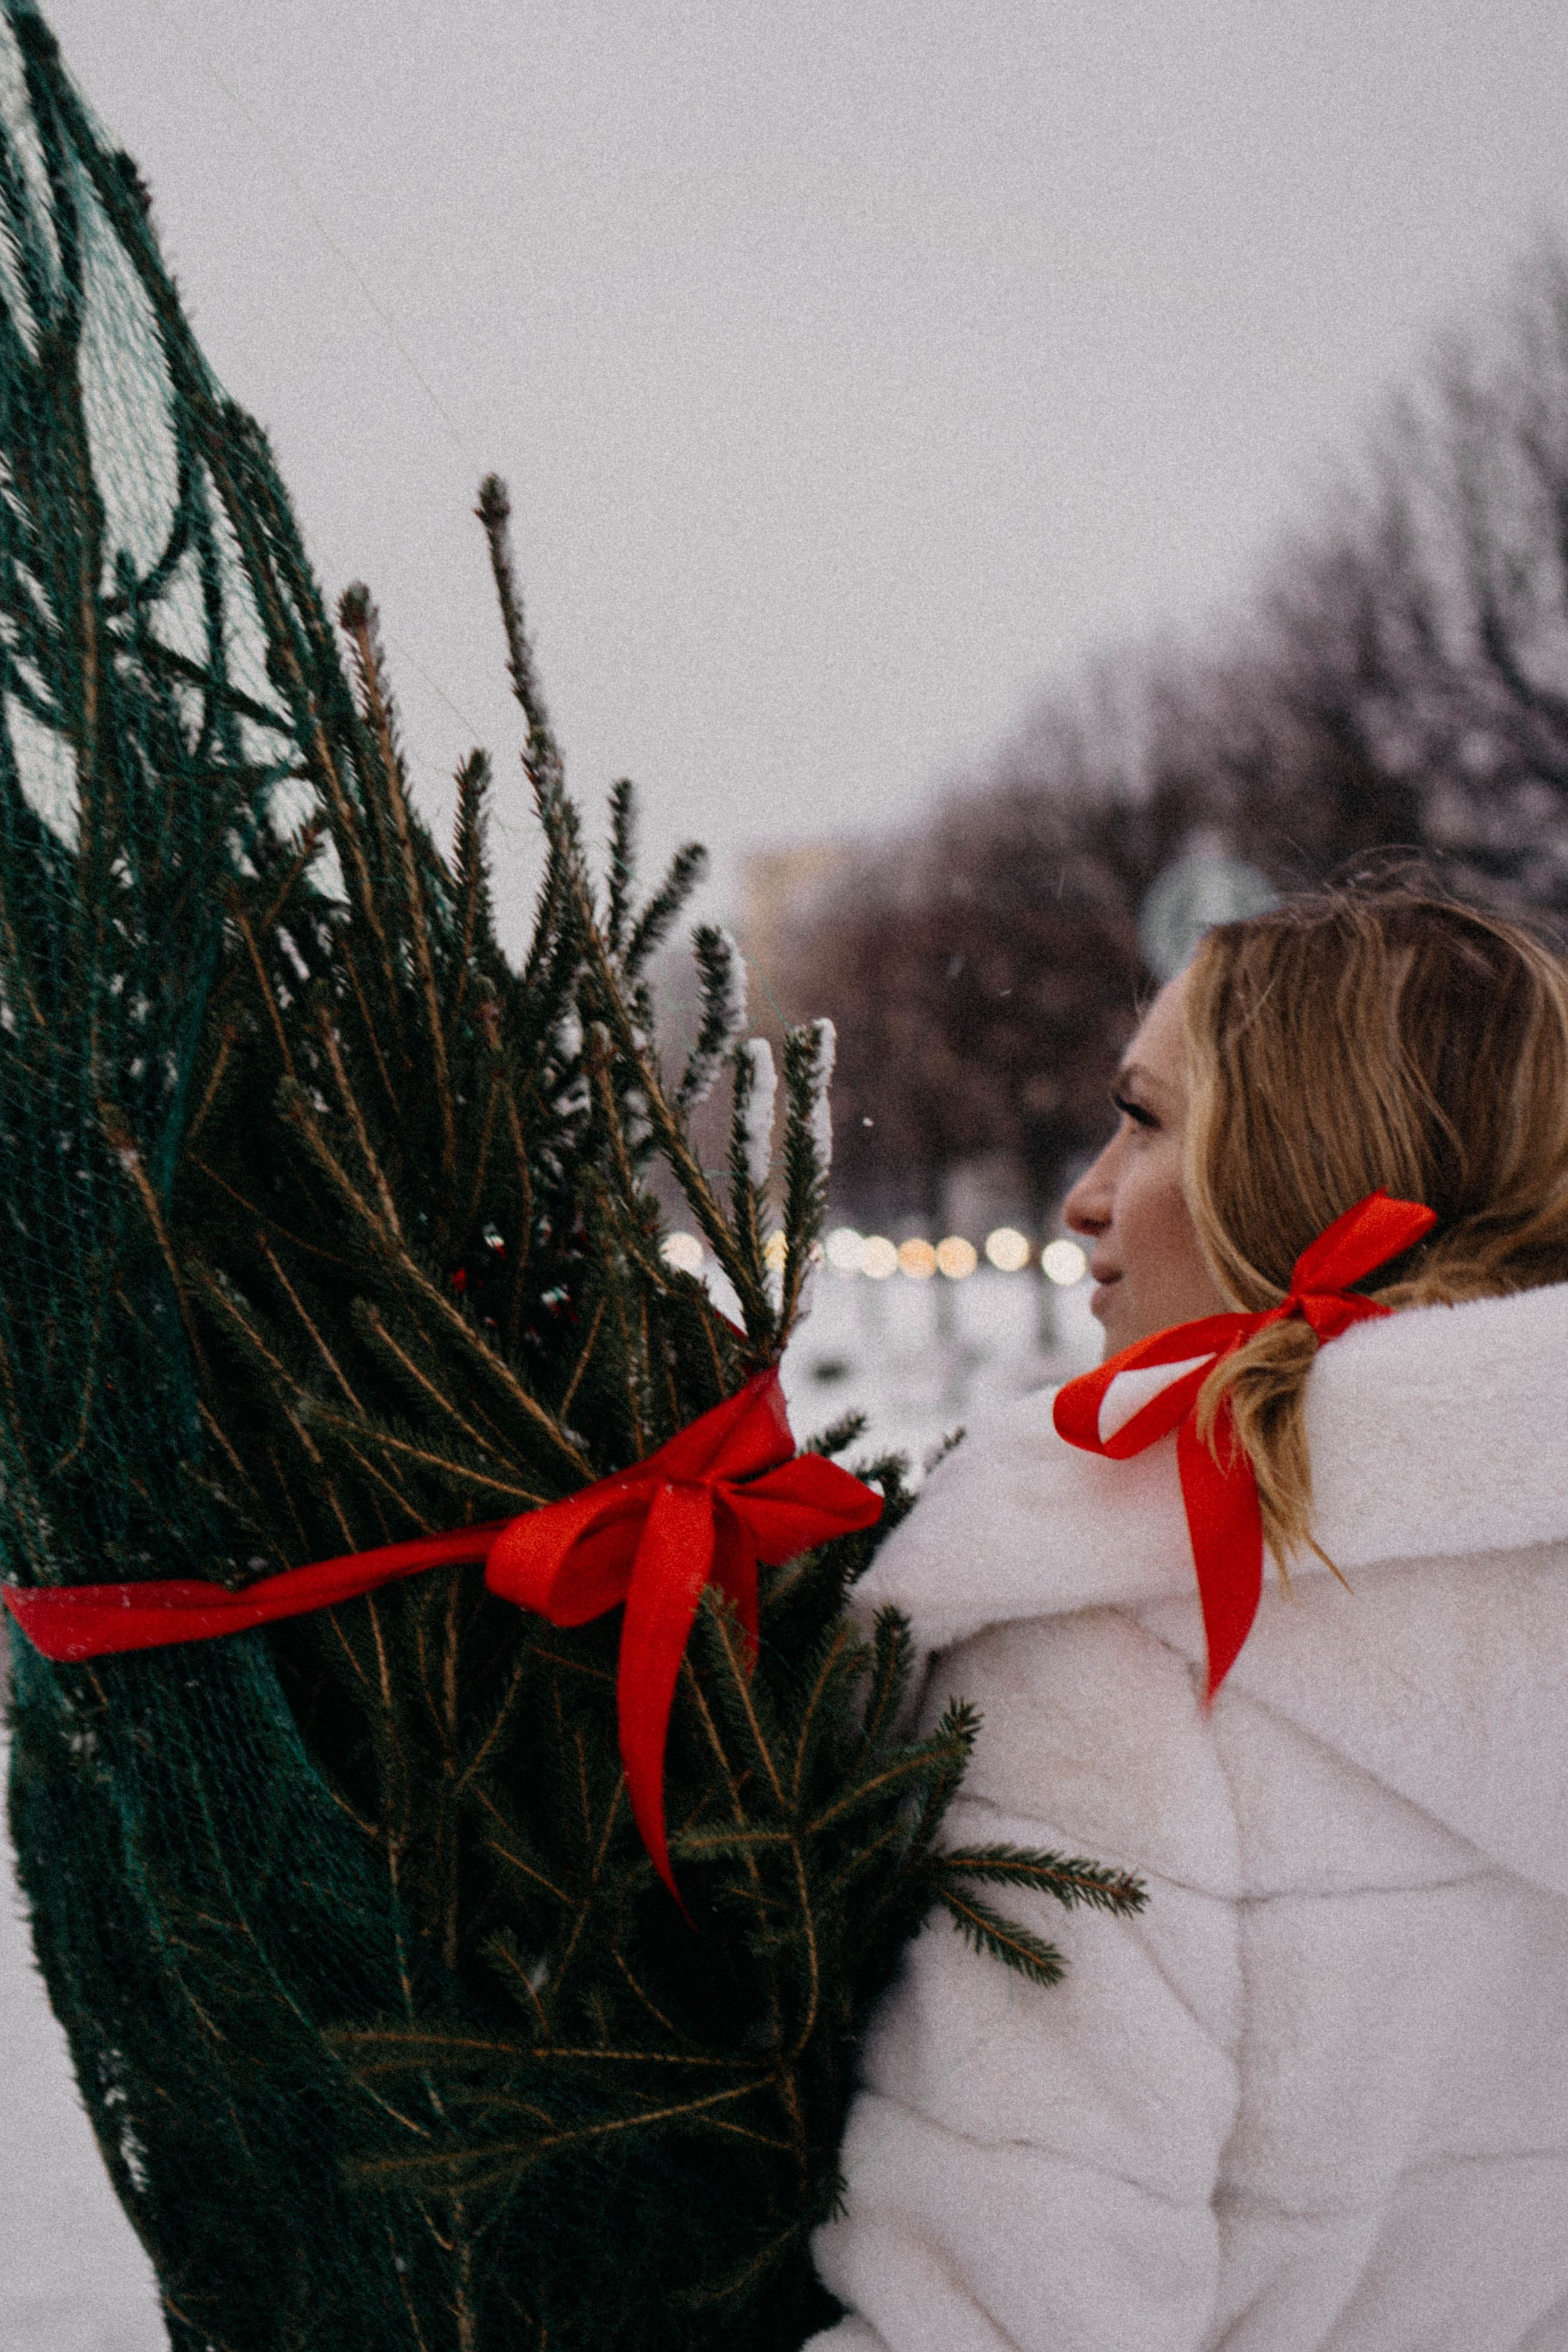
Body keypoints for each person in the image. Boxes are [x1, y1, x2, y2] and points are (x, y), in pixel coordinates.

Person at [806, 887, 1568, 2352]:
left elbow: (1008, 2322)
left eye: (1145, 1121)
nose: (1088, 1194)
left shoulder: (1116, 1651)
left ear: (1303, 1167)